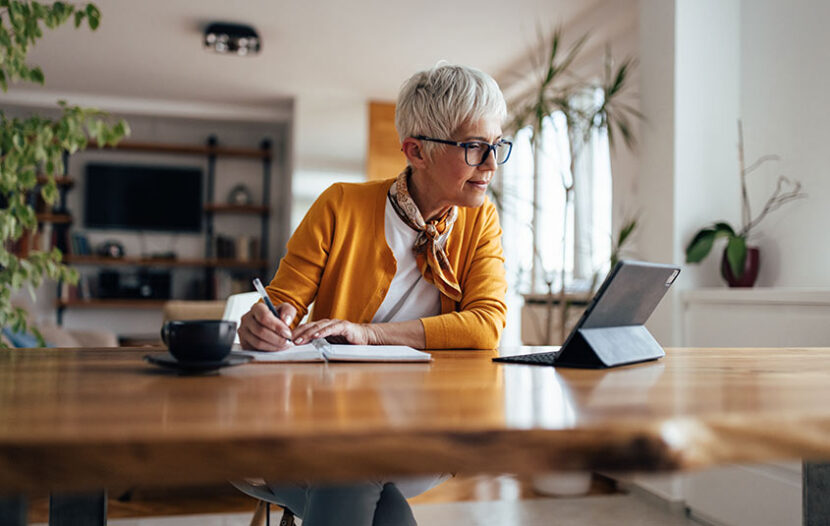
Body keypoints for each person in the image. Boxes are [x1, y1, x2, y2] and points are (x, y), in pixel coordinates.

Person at [235, 63, 511, 526]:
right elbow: (280, 305)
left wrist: (370, 334)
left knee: (352, 468)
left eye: (496, 146)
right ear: (415, 151)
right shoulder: (340, 205)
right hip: (323, 422)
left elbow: (486, 327)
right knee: (357, 469)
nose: (490, 164)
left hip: (427, 427)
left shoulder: (480, 221)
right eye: (474, 147)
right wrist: (262, 325)